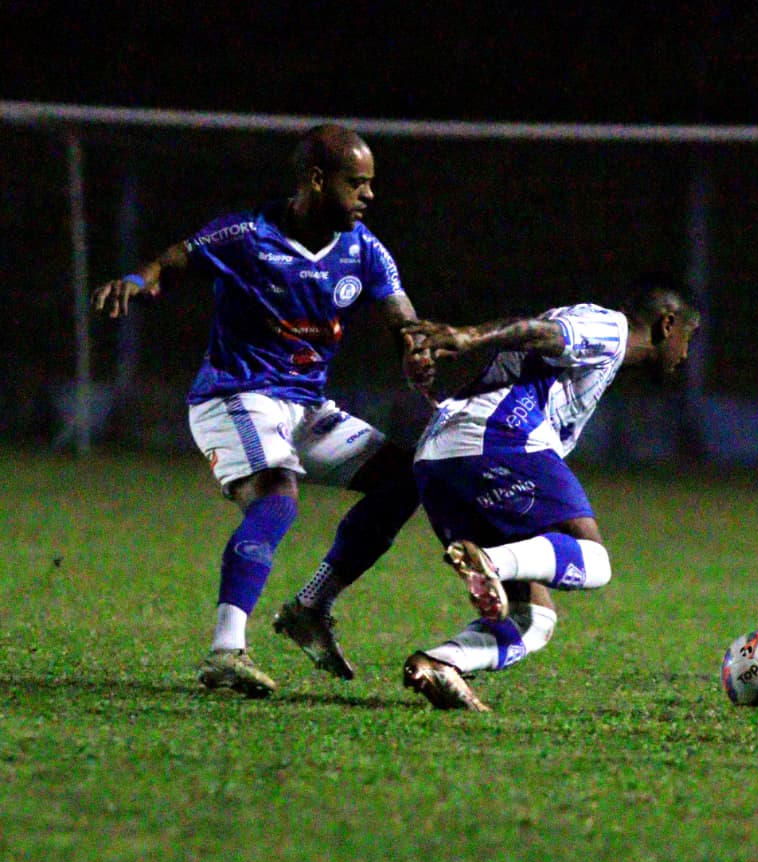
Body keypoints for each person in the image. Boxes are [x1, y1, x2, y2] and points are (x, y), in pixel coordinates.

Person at [92, 124, 426, 698]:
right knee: (277, 499)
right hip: (234, 395)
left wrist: (417, 348)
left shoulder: (364, 249)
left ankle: (312, 606)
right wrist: (134, 279)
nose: (369, 196)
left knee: (406, 479)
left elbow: (402, 315)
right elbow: (176, 259)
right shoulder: (248, 234)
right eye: (358, 184)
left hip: (304, 409)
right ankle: (226, 651)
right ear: (318, 181)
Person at [397, 278, 700, 711]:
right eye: (689, 338)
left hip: (440, 461)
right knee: (594, 559)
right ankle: (490, 563)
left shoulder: (596, 352)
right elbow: (538, 331)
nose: (687, 354)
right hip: (497, 439)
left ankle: (440, 664)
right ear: (668, 325)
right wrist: (468, 337)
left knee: (534, 620)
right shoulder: (609, 330)